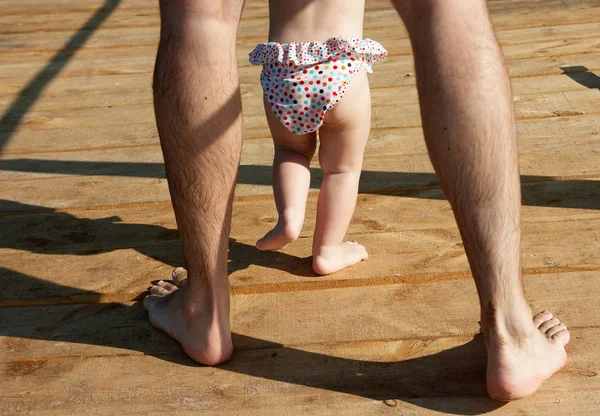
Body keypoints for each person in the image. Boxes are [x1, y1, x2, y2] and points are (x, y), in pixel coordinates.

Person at [144, 0, 570, 401]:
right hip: (340, 72)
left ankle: (239, 273)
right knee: (442, 13)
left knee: (203, 19)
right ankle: (508, 334)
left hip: (282, 73)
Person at [249, 6, 387, 275]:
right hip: (341, 66)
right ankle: (327, 250)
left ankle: (289, 219)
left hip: (283, 73)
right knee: (342, 170)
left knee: (291, 151)